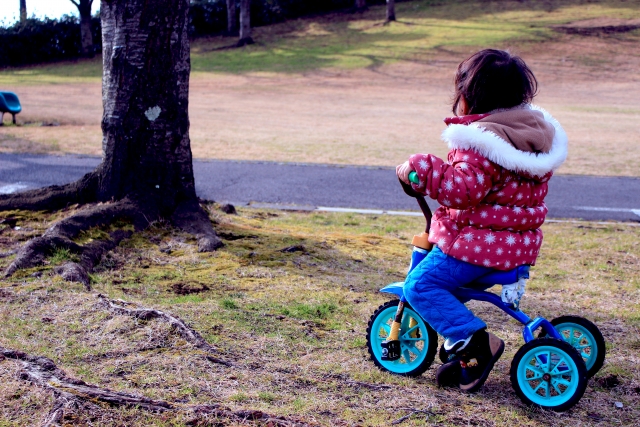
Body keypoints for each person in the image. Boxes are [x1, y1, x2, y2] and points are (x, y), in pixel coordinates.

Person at [396, 49, 567, 392]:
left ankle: (475, 344)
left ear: (466, 96)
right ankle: (457, 350)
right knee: (444, 287)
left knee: (420, 285)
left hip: (474, 248)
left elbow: (462, 191)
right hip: (513, 247)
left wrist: (424, 168)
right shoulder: (528, 136)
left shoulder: (481, 142)